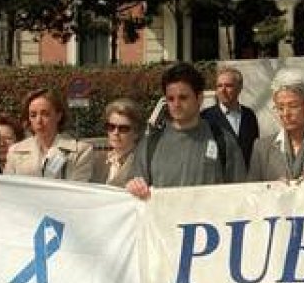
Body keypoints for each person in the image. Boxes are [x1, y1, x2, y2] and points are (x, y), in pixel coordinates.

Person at [126, 62, 245, 199]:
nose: (176, 104)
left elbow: (240, 195)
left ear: (199, 98)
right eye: (171, 99)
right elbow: (133, 195)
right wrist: (132, 187)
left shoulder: (223, 141)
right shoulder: (150, 144)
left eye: (183, 97)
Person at [4, 89, 98, 181]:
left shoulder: (81, 151)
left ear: (58, 116)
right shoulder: (15, 151)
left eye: (45, 114)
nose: (38, 121)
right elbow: (8, 188)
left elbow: (77, 190)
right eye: (33, 115)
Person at [200, 66, 259, 168]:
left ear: (239, 88)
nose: (223, 90)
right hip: (219, 179)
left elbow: (255, 150)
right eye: (219, 86)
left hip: (247, 179)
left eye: (228, 86)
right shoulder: (206, 117)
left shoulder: (249, 115)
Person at [97, 99, 145, 187]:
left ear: (136, 132)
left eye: (123, 128)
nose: (115, 133)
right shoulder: (99, 160)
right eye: (111, 127)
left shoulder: (143, 164)